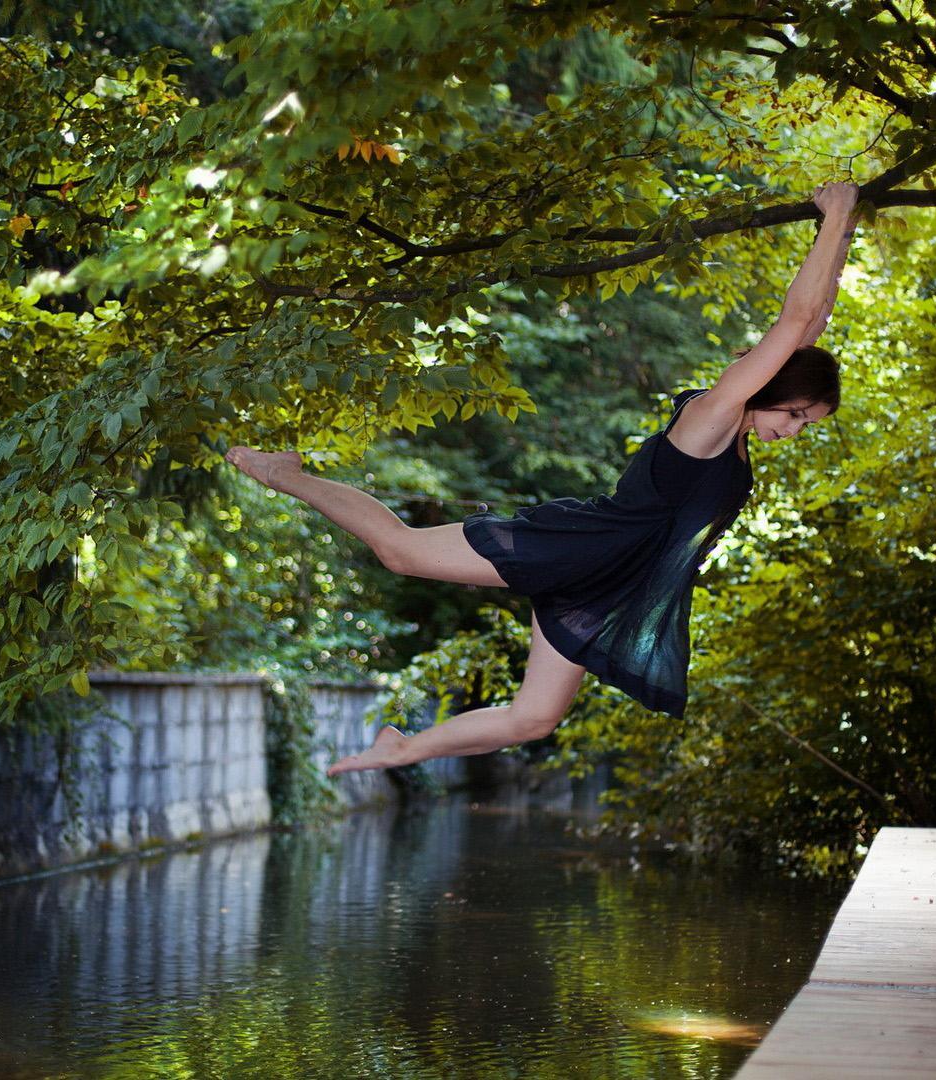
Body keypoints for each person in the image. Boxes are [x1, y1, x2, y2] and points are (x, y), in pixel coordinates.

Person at [226, 181, 860, 775]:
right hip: (584, 548)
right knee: (401, 552)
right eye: (797, 413)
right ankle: (288, 476)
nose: (795, 429)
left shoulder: (742, 437)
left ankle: (401, 750)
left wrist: (845, 227)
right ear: (772, 387)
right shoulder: (714, 418)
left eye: (810, 423)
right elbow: (796, 324)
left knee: (534, 718)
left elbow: (814, 323)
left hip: (616, 579)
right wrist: (833, 215)